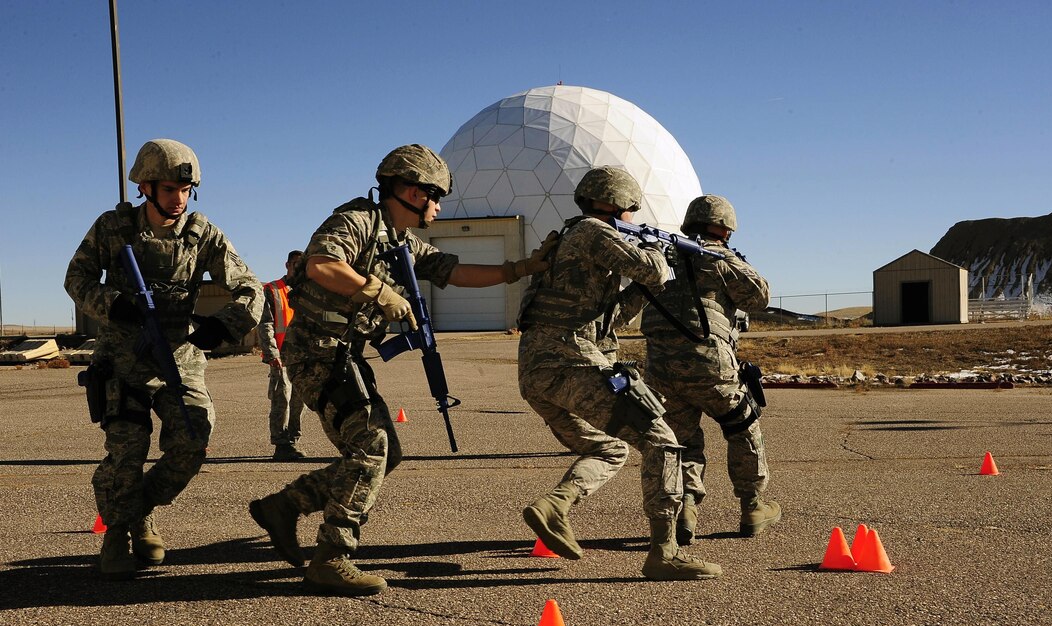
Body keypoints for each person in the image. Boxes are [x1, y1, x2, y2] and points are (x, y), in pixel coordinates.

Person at [248, 144, 545, 596]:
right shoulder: (357, 221)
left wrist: (520, 268)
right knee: (372, 445)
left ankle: (285, 505)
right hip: (317, 352)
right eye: (434, 195)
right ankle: (331, 556)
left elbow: (455, 272)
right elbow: (323, 264)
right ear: (408, 190)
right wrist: (377, 291)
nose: (439, 206)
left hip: (343, 354)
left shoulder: (399, 241)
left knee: (388, 453)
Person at [64, 138, 263, 580]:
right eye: (170, 189)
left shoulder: (201, 233)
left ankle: (139, 512)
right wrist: (114, 303)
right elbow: (75, 278)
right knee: (127, 451)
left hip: (180, 355)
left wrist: (222, 325)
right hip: (122, 358)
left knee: (192, 441)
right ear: (147, 187)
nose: (179, 199)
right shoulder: (113, 228)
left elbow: (251, 287)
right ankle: (118, 532)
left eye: (186, 190)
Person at [516, 167, 722, 581]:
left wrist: (650, 287)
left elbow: (605, 317)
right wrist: (661, 256)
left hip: (538, 368)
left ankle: (555, 506)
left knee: (610, 449)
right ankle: (663, 554)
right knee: (662, 442)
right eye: (631, 213)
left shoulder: (568, 238)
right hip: (569, 359)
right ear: (619, 204)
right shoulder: (596, 232)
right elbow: (652, 269)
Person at [640, 194, 779, 542]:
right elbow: (758, 295)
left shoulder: (663, 256)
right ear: (725, 229)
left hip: (660, 369)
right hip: (709, 365)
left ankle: (686, 508)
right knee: (742, 425)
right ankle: (752, 506)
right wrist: (727, 259)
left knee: (682, 440)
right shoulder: (716, 257)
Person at [257, 250, 308, 462]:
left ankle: (293, 440)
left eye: (301, 264)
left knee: (300, 402)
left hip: (304, 357)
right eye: (294, 263)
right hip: (282, 356)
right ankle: (281, 444)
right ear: (287, 264)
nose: (297, 267)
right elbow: (265, 324)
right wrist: (271, 352)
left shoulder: (309, 291)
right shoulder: (272, 290)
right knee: (282, 401)